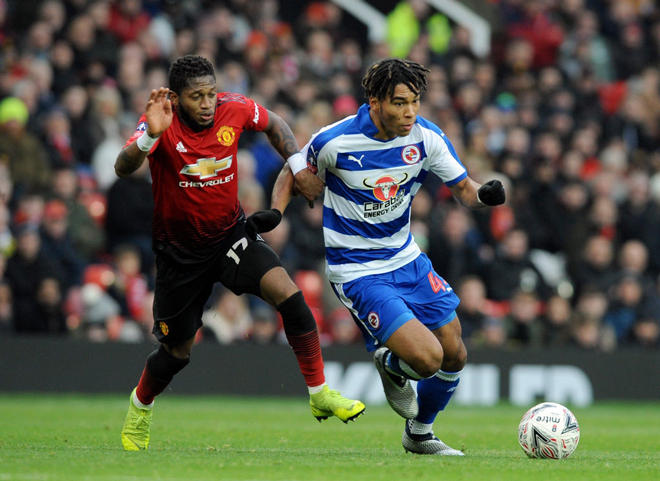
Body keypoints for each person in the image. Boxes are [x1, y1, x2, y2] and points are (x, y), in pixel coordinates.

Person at [253, 58, 505, 455]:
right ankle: (391, 366)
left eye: (415, 102)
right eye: (400, 103)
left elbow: (465, 189)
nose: (409, 113)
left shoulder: (425, 139)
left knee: (455, 352)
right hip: (357, 270)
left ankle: (419, 433)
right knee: (427, 360)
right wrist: (276, 212)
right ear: (374, 101)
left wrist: (486, 194)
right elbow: (294, 170)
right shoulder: (335, 141)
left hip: (406, 259)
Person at [114, 55, 365, 452]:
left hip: (231, 235)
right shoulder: (160, 122)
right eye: (197, 96)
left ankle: (319, 393)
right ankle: (140, 405)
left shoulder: (234, 108)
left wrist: (298, 166)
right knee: (176, 353)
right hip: (180, 255)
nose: (207, 103)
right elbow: (122, 167)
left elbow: (275, 123)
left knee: (293, 299)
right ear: (176, 99)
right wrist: (148, 138)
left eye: (211, 93)